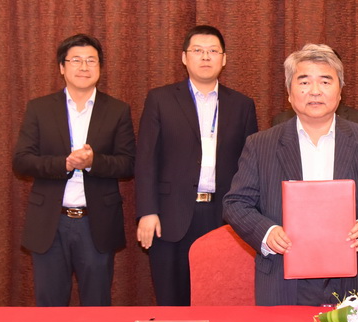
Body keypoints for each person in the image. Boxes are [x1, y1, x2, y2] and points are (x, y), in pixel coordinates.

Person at [224, 44, 358, 306]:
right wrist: (267, 232)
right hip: (281, 277)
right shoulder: (261, 144)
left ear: (340, 92)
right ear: (289, 93)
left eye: (325, 81)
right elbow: (236, 203)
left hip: (350, 278)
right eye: (304, 82)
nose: (315, 91)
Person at [134, 25, 259, 306]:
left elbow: (250, 166)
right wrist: (147, 211)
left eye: (213, 51)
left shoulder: (242, 105)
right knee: (171, 301)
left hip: (223, 217)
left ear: (224, 59)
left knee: (219, 297)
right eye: (198, 50)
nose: (205, 57)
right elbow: (146, 160)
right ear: (184, 57)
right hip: (170, 215)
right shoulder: (160, 99)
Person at [13, 33, 136, 306]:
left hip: (96, 223)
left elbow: (128, 163)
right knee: (50, 306)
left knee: (96, 306)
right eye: (76, 60)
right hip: (50, 222)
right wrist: (64, 164)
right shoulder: (39, 108)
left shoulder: (117, 110)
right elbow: (21, 161)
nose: (84, 67)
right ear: (62, 67)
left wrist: (93, 162)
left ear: (100, 67)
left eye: (91, 60)